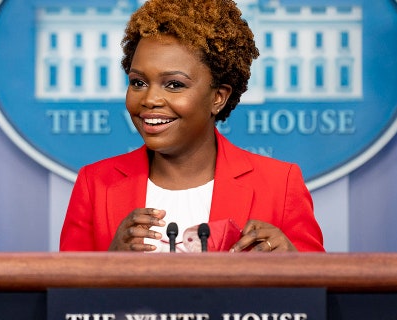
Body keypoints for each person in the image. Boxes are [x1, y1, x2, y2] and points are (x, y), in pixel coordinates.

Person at [60, 0, 324, 253]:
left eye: (174, 84)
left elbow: (318, 292)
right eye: (138, 82)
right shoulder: (94, 184)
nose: (150, 99)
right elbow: (66, 296)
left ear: (218, 97)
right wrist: (109, 264)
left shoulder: (281, 184)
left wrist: (291, 263)